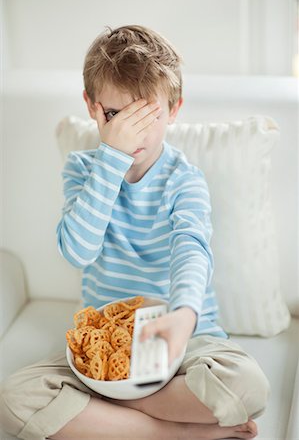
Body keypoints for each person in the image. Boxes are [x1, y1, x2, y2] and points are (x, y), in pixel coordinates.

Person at [0, 25, 270, 440]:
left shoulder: (185, 180)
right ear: (91, 107)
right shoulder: (83, 169)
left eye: (146, 116)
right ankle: (176, 433)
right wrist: (109, 159)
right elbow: (78, 251)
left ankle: (111, 409)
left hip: (182, 341)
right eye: (115, 116)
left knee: (247, 385)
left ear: (174, 109)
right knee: (13, 398)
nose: (132, 134)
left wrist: (183, 316)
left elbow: (191, 249)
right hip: (107, 347)